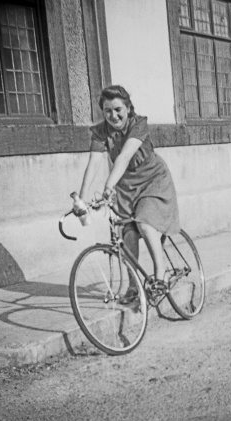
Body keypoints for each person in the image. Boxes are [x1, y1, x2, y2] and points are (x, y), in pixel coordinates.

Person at [74, 85, 180, 303]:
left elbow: (123, 157)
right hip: (126, 185)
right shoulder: (100, 131)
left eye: (118, 109)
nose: (113, 115)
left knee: (145, 223)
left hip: (153, 180)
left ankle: (160, 276)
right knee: (127, 234)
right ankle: (133, 286)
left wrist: (108, 187)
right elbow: (93, 164)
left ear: (128, 108)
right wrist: (82, 200)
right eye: (107, 111)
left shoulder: (138, 124)